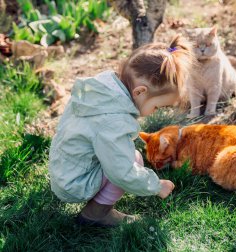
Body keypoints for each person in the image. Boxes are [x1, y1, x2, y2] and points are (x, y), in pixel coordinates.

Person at [48, 35, 193, 227]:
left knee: (122, 154)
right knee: (133, 160)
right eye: (157, 107)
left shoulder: (101, 89)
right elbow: (122, 171)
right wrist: (156, 186)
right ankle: (96, 214)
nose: (153, 113)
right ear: (140, 92)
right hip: (73, 184)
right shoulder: (114, 122)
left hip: (63, 166)